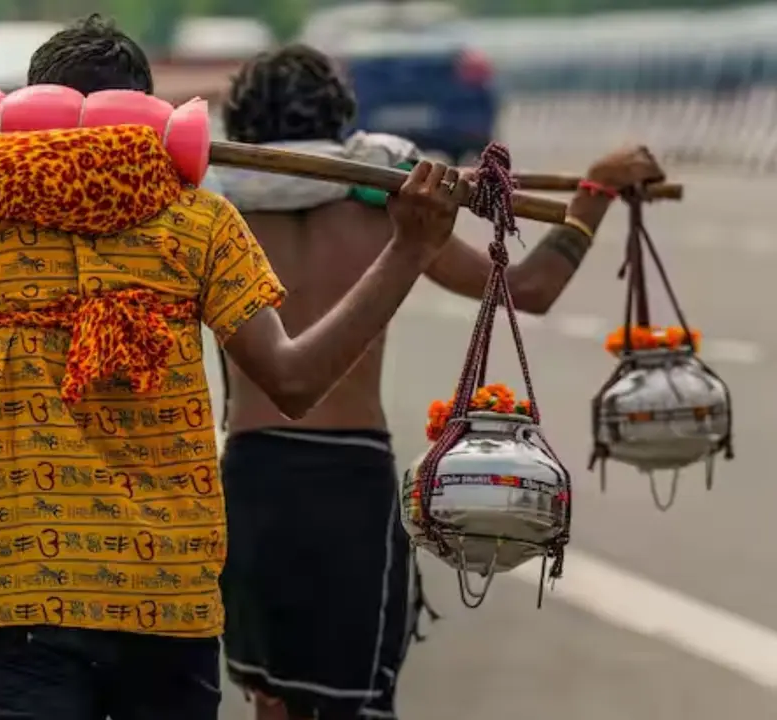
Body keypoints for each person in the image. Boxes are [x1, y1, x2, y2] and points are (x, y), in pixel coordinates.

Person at [0, 15, 469, 720]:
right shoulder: (198, 225)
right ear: (151, 120)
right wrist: (409, 249)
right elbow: (296, 382)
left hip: (29, 595)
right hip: (169, 601)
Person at [212, 44, 666, 720]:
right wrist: (594, 192)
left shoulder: (212, 217)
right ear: (342, 125)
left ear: (243, 133)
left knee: (273, 702)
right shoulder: (389, 207)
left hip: (249, 482)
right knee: (356, 701)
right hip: (349, 489)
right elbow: (531, 289)